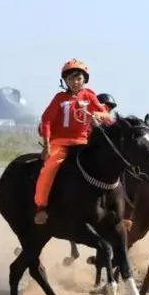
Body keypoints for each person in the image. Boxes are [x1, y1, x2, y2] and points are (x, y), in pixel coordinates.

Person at [34, 59, 111, 225]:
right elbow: (46, 120)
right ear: (65, 81)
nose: (75, 82)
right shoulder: (59, 98)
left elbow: (107, 116)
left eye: (78, 78)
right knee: (49, 168)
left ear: (84, 79)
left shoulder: (89, 96)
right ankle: (41, 207)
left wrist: (98, 115)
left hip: (83, 143)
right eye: (71, 79)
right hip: (60, 143)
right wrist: (47, 145)